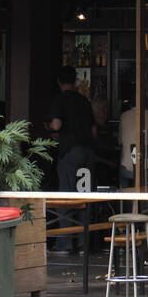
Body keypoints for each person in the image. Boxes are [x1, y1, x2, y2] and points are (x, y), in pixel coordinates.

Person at [48, 66, 95, 253]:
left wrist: (50, 126)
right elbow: (93, 131)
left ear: (59, 82)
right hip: (88, 153)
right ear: (75, 82)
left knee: (66, 197)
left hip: (70, 152)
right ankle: (84, 243)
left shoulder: (59, 100)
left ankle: (65, 243)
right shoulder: (84, 101)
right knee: (85, 196)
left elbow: (57, 125)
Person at [119, 100, 148, 188]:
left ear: (130, 104)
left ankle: (127, 199)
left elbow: (120, 141)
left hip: (130, 170)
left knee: (121, 173)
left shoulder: (124, 116)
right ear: (147, 104)